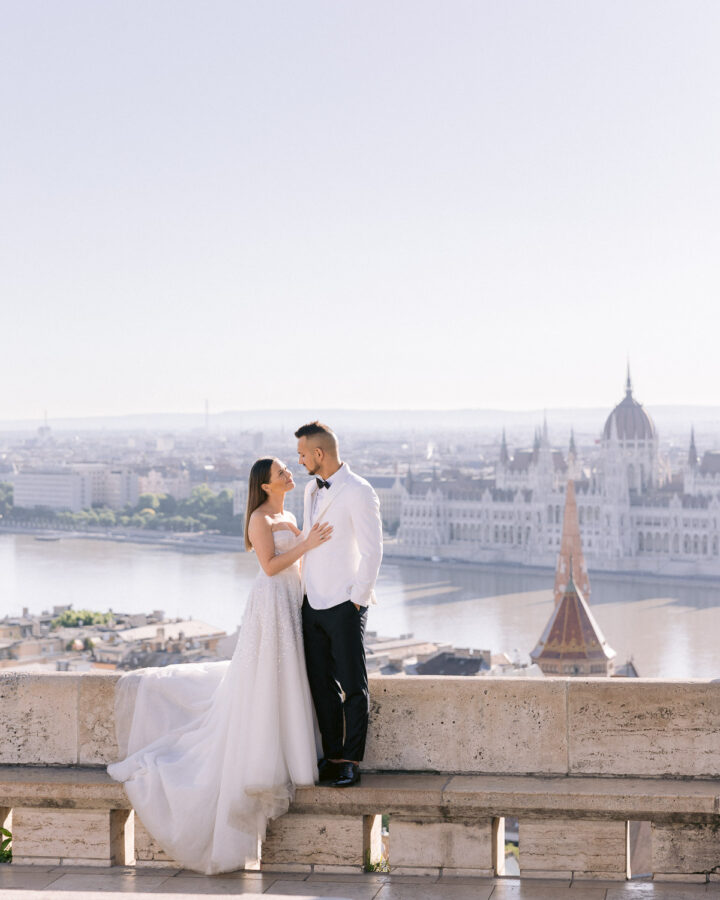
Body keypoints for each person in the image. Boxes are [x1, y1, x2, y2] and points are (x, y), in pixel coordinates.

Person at [107, 457, 332, 874]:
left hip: (290, 601)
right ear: (265, 485)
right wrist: (307, 544)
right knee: (266, 677)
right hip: (270, 603)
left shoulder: (289, 512)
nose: (287, 474)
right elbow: (269, 566)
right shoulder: (259, 519)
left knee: (286, 680)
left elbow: (299, 564)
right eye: (280, 472)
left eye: (286, 469)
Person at [295, 422, 383, 788]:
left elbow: (373, 551)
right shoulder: (309, 489)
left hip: (345, 604)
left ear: (319, 454)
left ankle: (350, 760)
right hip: (311, 602)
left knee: (353, 685)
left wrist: (357, 602)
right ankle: (332, 755)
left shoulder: (359, 491)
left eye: (302, 454)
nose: (299, 461)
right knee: (320, 685)